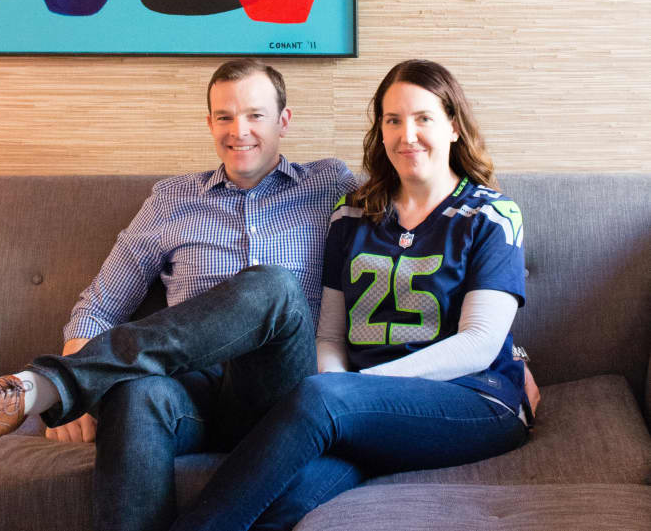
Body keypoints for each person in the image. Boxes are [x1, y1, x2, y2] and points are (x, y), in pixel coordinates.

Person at [0, 58, 539, 531]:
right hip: (213, 393)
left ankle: (44, 386)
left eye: (255, 115)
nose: (239, 130)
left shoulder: (333, 187)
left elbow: (469, 320)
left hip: (296, 390)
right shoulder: (193, 201)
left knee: (272, 287)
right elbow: (100, 307)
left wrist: (500, 353)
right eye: (224, 117)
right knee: (138, 394)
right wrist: (90, 393)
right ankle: (58, 386)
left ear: (284, 121)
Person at [165, 59, 533, 531]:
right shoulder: (352, 214)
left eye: (423, 118)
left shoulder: (491, 215)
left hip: (472, 399)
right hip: (363, 410)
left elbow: (479, 343)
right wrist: (350, 391)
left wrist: (357, 389)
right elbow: (330, 336)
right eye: (393, 120)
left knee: (320, 396)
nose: (407, 135)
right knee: (282, 504)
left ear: (454, 127)